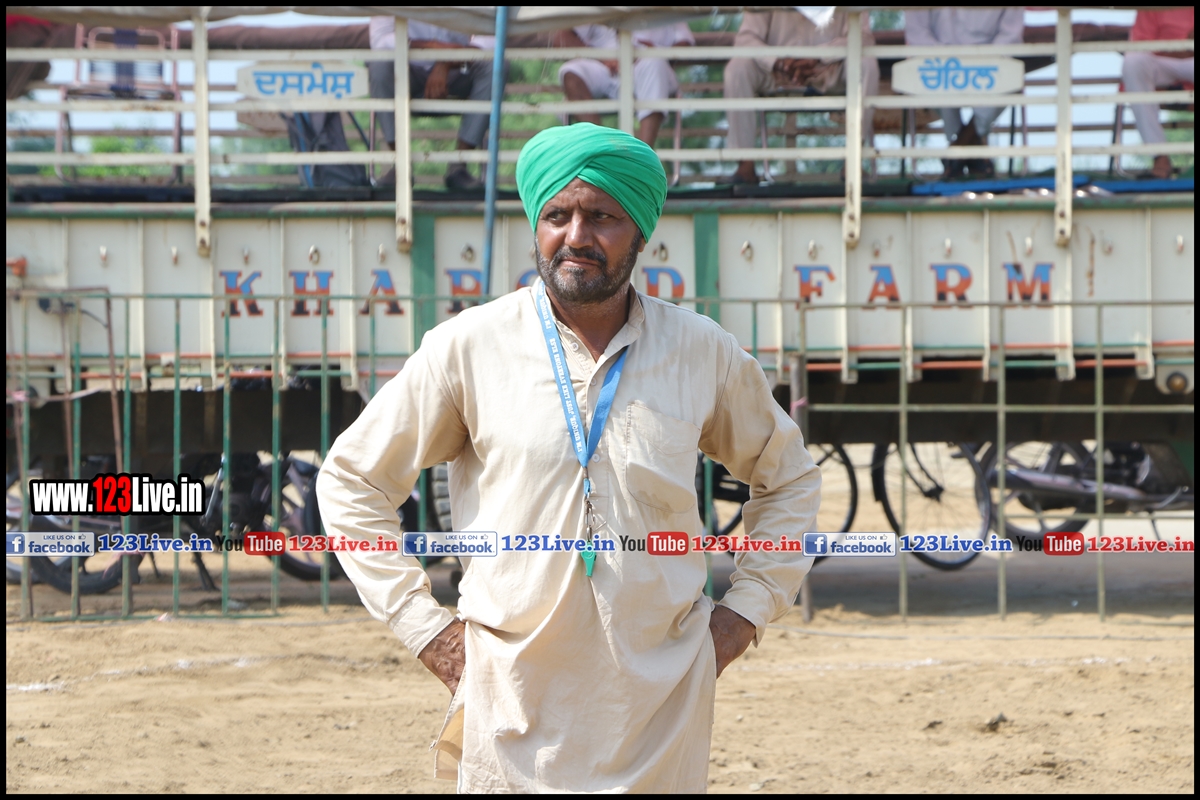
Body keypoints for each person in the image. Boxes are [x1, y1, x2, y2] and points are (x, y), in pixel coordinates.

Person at [316, 123, 821, 792]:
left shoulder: (702, 351)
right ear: (537, 225)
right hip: (509, 710)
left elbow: (790, 479)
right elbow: (351, 480)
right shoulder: (469, 347)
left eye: (602, 217)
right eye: (558, 215)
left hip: (660, 712)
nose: (576, 236)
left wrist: (743, 615)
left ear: (639, 233)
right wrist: (429, 633)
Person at [723, 9, 879, 184]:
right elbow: (746, 38)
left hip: (830, 69)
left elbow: (863, 37)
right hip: (775, 72)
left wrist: (820, 56)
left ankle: (853, 160)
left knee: (867, 65)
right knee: (737, 69)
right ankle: (745, 163)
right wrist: (777, 61)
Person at [368, 17, 502, 190]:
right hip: (406, 72)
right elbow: (380, 41)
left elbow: (491, 39)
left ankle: (459, 164)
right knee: (378, 65)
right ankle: (401, 164)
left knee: (495, 66)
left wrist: (446, 61)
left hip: (458, 70)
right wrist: (433, 47)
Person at [905, 8, 1024, 178]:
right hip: (937, 63)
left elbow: (1010, 36)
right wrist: (948, 57)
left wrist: (983, 58)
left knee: (1011, 79)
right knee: (928, 79)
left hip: (990, 63)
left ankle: (957, 151)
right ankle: (972, 150)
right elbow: (917, 34)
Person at [557, 23, 694, 146]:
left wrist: (654, 51)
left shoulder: (668, 11)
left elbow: (685, 43)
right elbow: (562, 36)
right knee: (571, 71)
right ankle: (600, 149)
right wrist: (601, 58)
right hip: (604, 66)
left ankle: (641, 157)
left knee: (654, 64)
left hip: (645, 68)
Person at [1121, 8, 1194, 179]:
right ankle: (1159, 158)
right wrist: (1182, 48)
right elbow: (1140, 46)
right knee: (1133, 62)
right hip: (1162, 61)